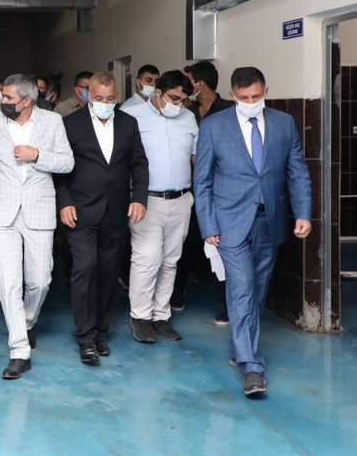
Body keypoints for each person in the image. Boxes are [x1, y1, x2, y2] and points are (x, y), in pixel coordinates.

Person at [194, 66, 312, 396]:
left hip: (269, 220)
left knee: (257, 290)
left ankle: (239, 347)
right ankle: (252, 367)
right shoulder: (213, 126)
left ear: (266, 92)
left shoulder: (283, 123)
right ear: (233, 95)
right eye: (244, 97)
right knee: (242, 288)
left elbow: (297, 172)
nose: (251, 102)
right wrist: (208, 225)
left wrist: (303, 213)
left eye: (256, 96)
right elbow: (202, 182)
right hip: (229, 223)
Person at [0, 73, 74, 379]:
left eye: (8, 98)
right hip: (2, 212)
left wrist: (36, 155)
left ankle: (26, 322)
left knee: (40, 281)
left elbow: (67, 162)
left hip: (39, 209)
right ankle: (19, 350)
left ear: (27, 101)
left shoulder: (52, 122)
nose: (1, 101)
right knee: (9, 283)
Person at [56, 72, 148, 364]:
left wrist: (139, 198)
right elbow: (59, 169)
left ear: (116, 96)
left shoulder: (128, 123)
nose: (105, 103)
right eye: (98, 98)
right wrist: (64, 202)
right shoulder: (70, 124)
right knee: (85, 269)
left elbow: (139, 163)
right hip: (80, 211)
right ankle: (85, 336)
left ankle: (100, 330)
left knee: (108, 273)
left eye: (110, 98)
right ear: (87, 96)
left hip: (116, 210)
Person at [123, 70, 198, 344]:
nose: (179, 104)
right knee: (146, 259)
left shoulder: (189, 118)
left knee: (170, 260)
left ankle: (160, 316)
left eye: (183, 100)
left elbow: (196, 156)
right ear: (158, 92)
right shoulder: (132, 116)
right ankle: (140, 316)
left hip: (181, 199)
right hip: (146, 200)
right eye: (174, 98)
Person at [171, 60, 235, 321]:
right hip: (190, 191)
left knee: (223, 248)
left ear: (200, 83)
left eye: (189, 81)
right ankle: (177, 294)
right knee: (185, 244)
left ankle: (224, 306)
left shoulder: (229, 111)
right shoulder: (185, 112)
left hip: (221, 192)